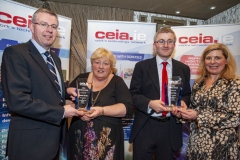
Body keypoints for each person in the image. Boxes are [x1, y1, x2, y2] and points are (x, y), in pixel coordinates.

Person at [1, 8, 83, 160]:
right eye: (44, 24)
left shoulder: (54, 58)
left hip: (53, 142)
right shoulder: (16, 54)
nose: (49, 30)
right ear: (32, 27)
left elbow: (46, 86)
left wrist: (66, 90)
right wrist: (61, 112)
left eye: (53, 26)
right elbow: (17, 101)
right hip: (29, 144)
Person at [129, 27, 191, 160]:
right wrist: (150, 103)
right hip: (146, 124)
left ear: (174, 45)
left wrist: (183, 103)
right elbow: (133, 94)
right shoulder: (142, 67)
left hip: (171, 127)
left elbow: (187, 94)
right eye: (161, 41)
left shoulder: (184, 69)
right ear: (155, 45)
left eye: (169, 41)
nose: (165, 45)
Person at [67, 47, 133, 160]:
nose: (101, 66)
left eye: (105, 63)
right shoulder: (81, 79)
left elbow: (126, 108)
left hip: (107, 140)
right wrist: (78, 112)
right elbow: (66, 101)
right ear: (92, 64)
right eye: (97, 62)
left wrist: (101, 111)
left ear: (111, 67)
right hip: (79, 135)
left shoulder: (117, 82)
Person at [178, 43, 240, 159]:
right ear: (204, 61)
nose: (212, 62)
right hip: (196, 144)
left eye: (218, 58)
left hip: (221, 145)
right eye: (208, 58)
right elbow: (194, 110)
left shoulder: (234, 83)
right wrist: (183, 112)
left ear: (226, 60)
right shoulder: (198, 83)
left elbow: (234, 118)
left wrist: (198, 115)